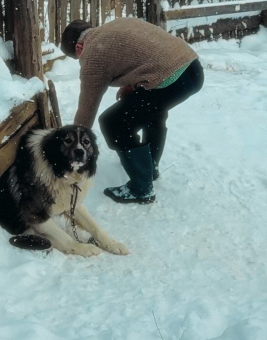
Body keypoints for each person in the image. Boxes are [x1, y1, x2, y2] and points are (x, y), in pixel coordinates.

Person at [61, 17, 204, 204]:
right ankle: (149, 166)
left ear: (79, 48)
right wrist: (136, 85)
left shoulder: (92, 53)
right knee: (150, 109)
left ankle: (141, 188)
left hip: (173, 81)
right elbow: (145, 54)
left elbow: (86, 109)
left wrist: (74, 146)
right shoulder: (114, 26)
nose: (81, 60)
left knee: (113, 123)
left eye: (77, 57)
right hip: (193, 69)